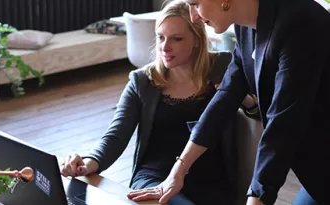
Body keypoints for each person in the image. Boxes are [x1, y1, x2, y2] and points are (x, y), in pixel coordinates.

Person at [128, 0, 330, 204]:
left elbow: (283, 123)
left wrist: (257, 196)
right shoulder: (246, 27)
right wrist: (178, 171)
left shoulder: (300, 22)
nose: (193, 16)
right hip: (316, 166)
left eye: (195, 3)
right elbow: (226, 95)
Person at [60, 1, 257, 204]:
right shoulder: (142, 81)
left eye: (176, 39)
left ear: (197, 39)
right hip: (154, 178)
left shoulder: (223, 66)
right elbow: (115, 136)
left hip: (212, 181)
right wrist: (88, 162)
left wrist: (244, 99)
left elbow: (260, 114)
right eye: (160, 37)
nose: (165, 47)